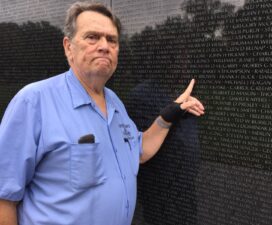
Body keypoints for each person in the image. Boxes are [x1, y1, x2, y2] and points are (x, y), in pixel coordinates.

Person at [0, 1, 205, 225]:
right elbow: (4, 197)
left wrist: (170, 113)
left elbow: (138, 150)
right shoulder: (34, 102)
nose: (104, 46)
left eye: (112, 40)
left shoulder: (115, 102)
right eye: (92, 37)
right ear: (69, 46)